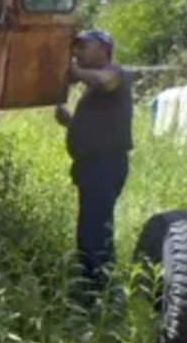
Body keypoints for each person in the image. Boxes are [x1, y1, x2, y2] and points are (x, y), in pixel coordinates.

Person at [54, 29, 133, 294]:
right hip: (93, 166)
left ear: (103, 49)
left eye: (83, 47)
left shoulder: (115, 73)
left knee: (95, 233)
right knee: (89, 229)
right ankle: (92, 287)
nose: (77, 52)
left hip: (105, 165)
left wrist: (73, 72)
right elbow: (98, 126)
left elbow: (107, 82)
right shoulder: (92, 89)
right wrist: (70, 122)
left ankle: (103, 293)